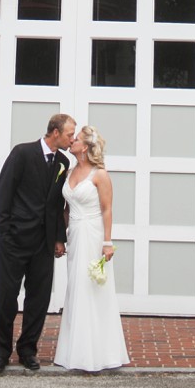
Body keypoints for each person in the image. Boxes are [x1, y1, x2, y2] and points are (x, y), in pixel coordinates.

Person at [0, 113, 76, 374]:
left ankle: (27, 349)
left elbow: (58, 205)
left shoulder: (63, 161)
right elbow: (4, 190)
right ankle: (1, 353)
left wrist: (59, 238)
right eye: (69, 135)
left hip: (44, 243)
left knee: (38, 300)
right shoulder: (22, 153)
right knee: (7, 298)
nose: (72, 140)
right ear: (54, 132)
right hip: (15, 239)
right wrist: (4, 230)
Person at [54, 123, 130, 373]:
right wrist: (59, 237)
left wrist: (107, 242)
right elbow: (66, 209)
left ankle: (100, 353)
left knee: (94, 289)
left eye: (76, 139)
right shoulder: (69, 172)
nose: (71, 141)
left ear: (85, 146)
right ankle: (74, 350)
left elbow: (107, 209)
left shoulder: (100, 174)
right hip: (75, 234)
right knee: (76, 287)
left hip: (94, 234)